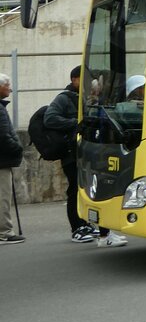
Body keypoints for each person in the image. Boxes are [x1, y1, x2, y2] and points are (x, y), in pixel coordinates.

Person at [44, 67, 127, 247]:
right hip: (72, 154)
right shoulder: (64, 99)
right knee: (75, 190)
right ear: (74, 79)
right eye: (85, 79)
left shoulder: (88, 99)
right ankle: (78, 228)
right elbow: (49, 118)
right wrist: (77, 121)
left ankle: (97, 228)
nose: (90, 83)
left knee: (92, 191)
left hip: (88, 152)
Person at [0, 73, 24, 244]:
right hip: (2, 161)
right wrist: (17, 148)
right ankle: (4, 232)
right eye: (7, 85)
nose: (10, 88)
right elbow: (3, 135)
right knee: (3, 197)